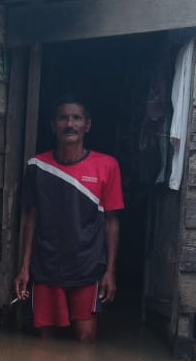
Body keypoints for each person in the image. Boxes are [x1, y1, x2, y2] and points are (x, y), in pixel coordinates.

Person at [14, 96, 123, 343]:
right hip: (46, 266)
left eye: (77, 118)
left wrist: (110, 271)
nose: (70, 124)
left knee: (86, 338)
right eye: (63, 118)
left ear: (88, 125)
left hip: (87, 266)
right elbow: (32, 217)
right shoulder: (37, 166)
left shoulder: (107, 166)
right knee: (46, 341)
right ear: (54, 125)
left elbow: (112, 221)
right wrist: (24, 267)